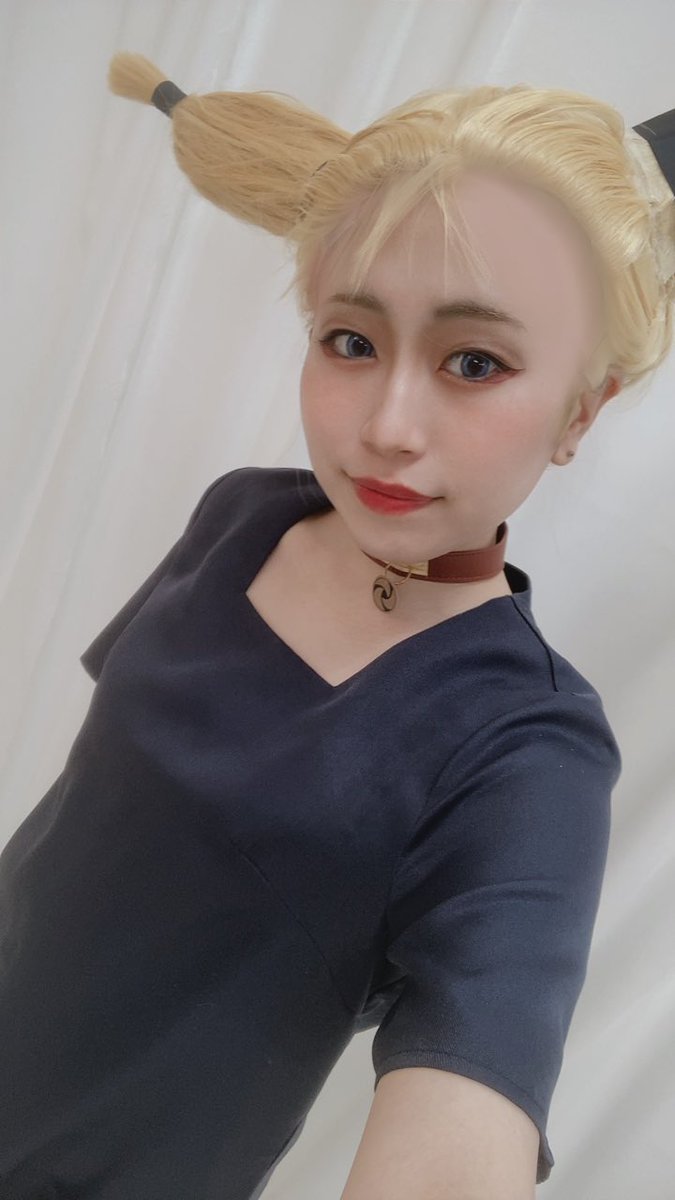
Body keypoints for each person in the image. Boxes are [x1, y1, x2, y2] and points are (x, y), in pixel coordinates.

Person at [1, 51, 673, 1200]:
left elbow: (468, 1118)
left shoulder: (529, 755)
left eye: (474, 362)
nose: (387, 425)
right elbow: (89, 815)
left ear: (582, 409)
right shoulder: (241, 518)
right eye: (350, 341)